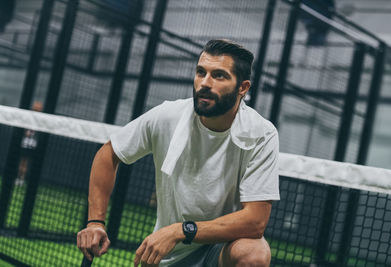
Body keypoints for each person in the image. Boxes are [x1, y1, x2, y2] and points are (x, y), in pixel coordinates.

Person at [77, 39, 280, 267]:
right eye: (201, 72)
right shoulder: (168, 116)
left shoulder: (261, 134)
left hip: (219, 250)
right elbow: (108, 153)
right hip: (166, 256)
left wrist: (180, 230)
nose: (205, 83)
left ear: (242, 88)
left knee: (253, 253)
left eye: (219, 76)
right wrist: (95, 222)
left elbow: (255, 221)